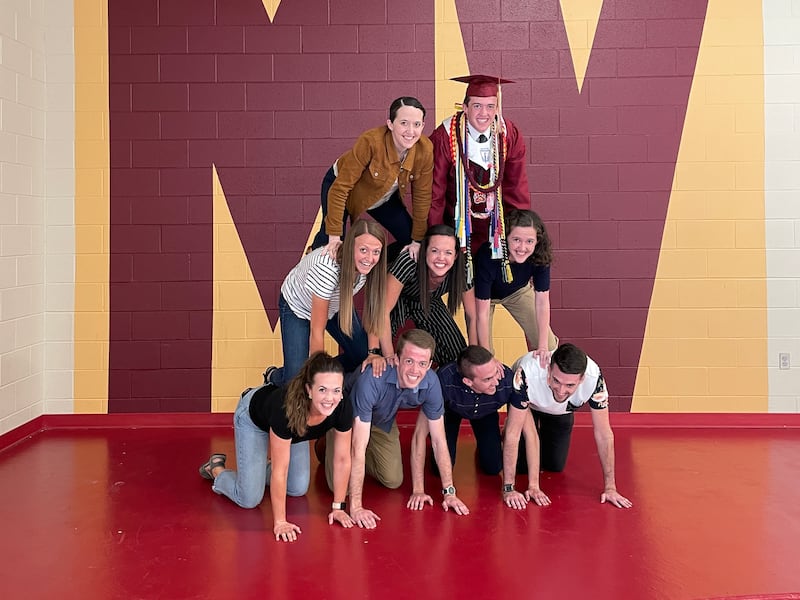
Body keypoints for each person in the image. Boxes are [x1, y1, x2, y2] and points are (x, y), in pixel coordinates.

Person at [198, 352, 354, 542]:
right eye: (322, 389)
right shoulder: (286, 410)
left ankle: (254, 472)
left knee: (297, 487)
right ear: (309, 390)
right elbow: (280, 470)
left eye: (336, 390)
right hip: (254, 419)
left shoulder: (343, 405)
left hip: (290, 433)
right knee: (249, 499)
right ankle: (216, 469)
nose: (330, 398)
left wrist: (338, 508)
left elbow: (342, 458)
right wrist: (280, 521)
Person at [346, 329, 470, 529]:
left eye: (422, 364)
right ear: (396, 359)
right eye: (409, 361)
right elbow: (358, 446)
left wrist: (449, 493)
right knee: (339, 485)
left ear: (430, 365)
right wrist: (356, 507)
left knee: (393, 480)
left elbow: (439, 441)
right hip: (350, 424)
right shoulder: (373, 379)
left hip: (381, 423)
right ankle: (327, 445)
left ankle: (359, 460)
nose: (415, 370)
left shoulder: (430, 382)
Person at [501, 343, 633, 510]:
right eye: (556, 380)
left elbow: (604, 433)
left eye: (570, 385)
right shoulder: (526, 373)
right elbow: (513, 433)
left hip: (561, 412)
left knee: (554, 466)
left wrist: (610, 488)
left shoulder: (594, 378)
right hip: (528, 405)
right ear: (548, 370)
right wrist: (508, 488)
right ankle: (507, 429)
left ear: (582, 379)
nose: (561, 390)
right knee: (521, 468)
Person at [429, 74, 531, 282]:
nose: (484, 114)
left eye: (490, 107)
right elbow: (435, 193)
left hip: (495, 232)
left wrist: (517, 236)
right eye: (477, 106)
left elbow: (516, 189)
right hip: (457, 229)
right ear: (464, 108)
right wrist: (435, 240)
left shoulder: (507, 134)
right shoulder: (446, 136)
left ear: (497, 108)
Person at [263, 218, 387, 388]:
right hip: (298, 307)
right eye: (363, 250)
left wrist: (373, 352)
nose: (370, 258)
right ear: (350, 246)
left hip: (337, 303)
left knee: (363, 357)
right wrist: (319, 378)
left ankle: (327, 372)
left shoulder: (373, 268)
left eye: (376, 252)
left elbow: (374, 309)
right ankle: (274, 375)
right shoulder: (327, 270)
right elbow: (317, 330)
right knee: (296, 381)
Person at [310, 96, 433, 261]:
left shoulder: (424, 150)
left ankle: (372, 266)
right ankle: (305, 275)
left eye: (417, 124)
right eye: (403, 123)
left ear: (423, 126)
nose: (411, 131)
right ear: (390, 124)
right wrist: (334, 236)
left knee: (413, 242)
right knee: (331, 246)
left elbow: (422, 197)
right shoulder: (371, 141)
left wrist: (417, 241)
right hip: (344, 189)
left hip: (382, 194)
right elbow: (341, 189)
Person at [366, 224, 472, 371]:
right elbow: (382, 310)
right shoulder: (410, 260)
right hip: (398, 299)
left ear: (455, 255)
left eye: (448, 252)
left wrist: (476, 356)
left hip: (428, 301)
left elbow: (473, 315)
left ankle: (439, 385)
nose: (441, 258)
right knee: (379, 350)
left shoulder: (463, 269)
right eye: (434, 251)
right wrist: (388, 356)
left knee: (458, 356)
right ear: (424, 251)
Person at [474, 209, 558, 368]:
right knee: (483, 356)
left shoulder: (539, 255)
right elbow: (482, 313)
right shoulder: (489, 255)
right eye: (516, 240)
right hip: (485, 298)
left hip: (517, 291)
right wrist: (487, 356)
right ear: (505, 238)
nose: (522, 247)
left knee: (549, 346)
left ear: (537, 241)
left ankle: (528, 379)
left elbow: (542, 302)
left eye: (529, 241)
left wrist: (542, 346)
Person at [437, 345, 524, 476]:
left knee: (493, 467)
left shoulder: (506, 380)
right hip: (451, 411)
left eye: (495, 373)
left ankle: (488, 443)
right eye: (488, 379)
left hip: (486, 412)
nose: (495, 382)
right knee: (440, 469)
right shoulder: (444, 380)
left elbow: (526, 428)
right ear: (468, 381)